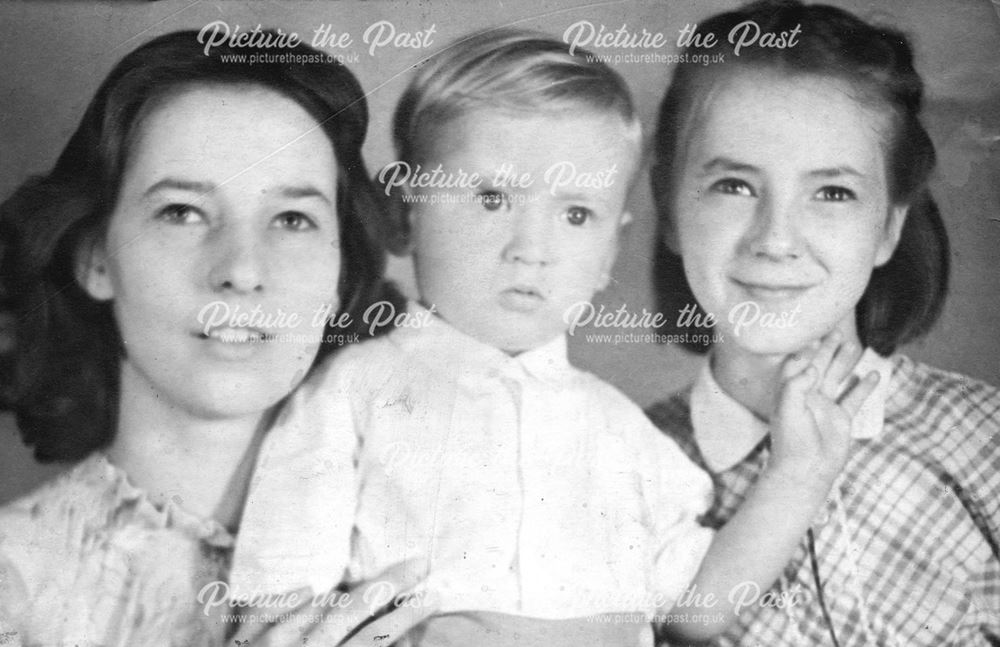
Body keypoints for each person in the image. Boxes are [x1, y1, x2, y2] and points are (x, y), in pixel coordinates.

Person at [231, 28, 878, 646]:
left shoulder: (624, 432)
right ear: (405, 214)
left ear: (609, 250)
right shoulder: (353, 389)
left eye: (575, 213)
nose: (532, 249)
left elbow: (696, 610)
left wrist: (797, 474)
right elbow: (280, 601)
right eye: (491, 199)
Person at [0, 30, 429, 646]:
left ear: (340, 271)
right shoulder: (15, 587)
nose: (243, 269)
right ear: (95, 256)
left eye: (292, 219)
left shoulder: (435, 551)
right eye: (182, 211)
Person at [646, 1, 1000, 645]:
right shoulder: (617, 461)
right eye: (733, 184)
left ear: (889, 226)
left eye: (832, 193)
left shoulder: (984, 443)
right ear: (669, 210)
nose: (776, 240)